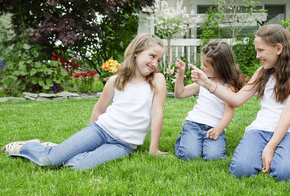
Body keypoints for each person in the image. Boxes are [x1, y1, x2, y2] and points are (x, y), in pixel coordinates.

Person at [2, 34, 167, 170]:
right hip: (100, 131)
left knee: (76, 166)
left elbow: (157, 112)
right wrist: (89, 139)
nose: (155, 63)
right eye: (152, 56)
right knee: (49, 161)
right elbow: (99, 109)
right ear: (136, 52)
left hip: (123, 144)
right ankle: (27, 147)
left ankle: (56, 149)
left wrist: (154, 149)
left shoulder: (157, 80)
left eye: (159, 60)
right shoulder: (116, 81)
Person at [190, 24, 290, 181]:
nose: (257, 56)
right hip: (261, 129)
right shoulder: (262, 72)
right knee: (241, 170)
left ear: (278, 49)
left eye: (261, 50)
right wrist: (207, 84)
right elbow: (237, 99)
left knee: (285, 174)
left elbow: (289, 112)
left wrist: (270, 147)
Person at [174, 40, 243, 161]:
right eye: (202, 63)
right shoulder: (203, 81)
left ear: (220, 67)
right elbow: (180, 93)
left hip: (214, 127)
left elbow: (228, 112)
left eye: (205, 65)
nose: (202, 67)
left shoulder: (229, 86)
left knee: (214, 157)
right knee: (189, 155)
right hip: (194, 124)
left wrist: (219, 129)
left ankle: (198, 142)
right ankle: (186, 138)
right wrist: (180, 74)